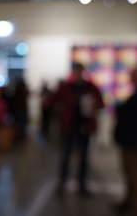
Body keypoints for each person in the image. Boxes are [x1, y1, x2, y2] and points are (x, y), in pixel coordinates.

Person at [43, 62, 104, 195]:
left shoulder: (91, 88)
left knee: (84, 157)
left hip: (85, 127)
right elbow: (50, 102)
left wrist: (93, 106)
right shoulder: (67, 88)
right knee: (66, 155)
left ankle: (82, 183)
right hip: (70, 127)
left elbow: (100, 104)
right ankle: (62, 183)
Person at [113, 66, 137, 216]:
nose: (131, 78)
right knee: (129, 173)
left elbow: (129, 114)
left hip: (135, 142)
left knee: (135, 176)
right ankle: (129, 203)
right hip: (130, 141)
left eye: (134, 75)